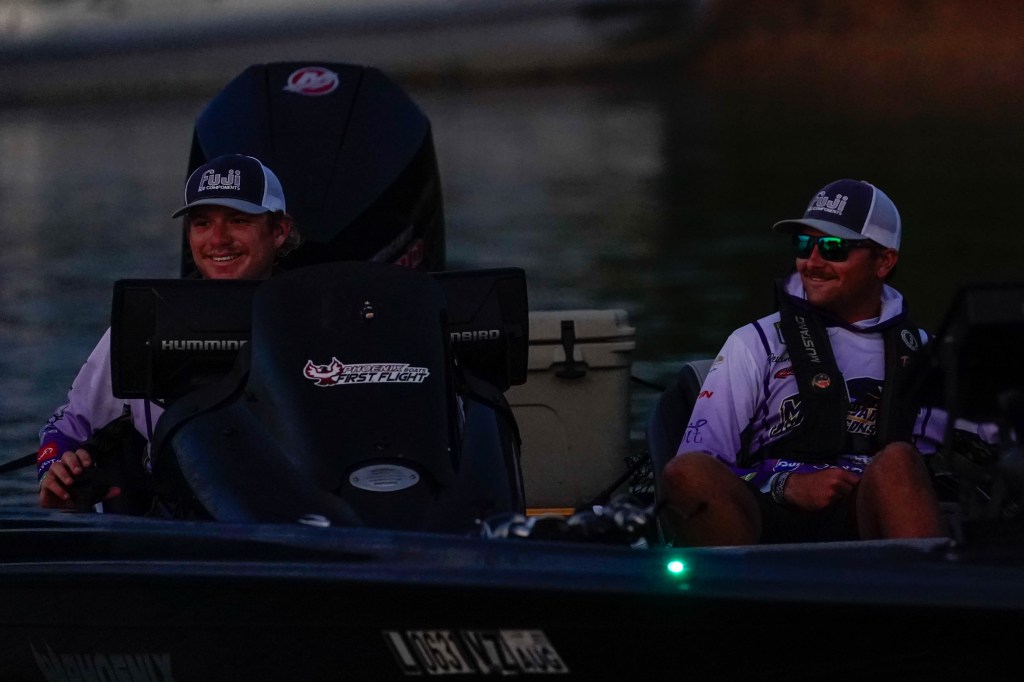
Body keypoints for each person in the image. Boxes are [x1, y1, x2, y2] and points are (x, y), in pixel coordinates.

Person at [660, 178, 949, 546]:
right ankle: (738, 583)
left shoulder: (928, 354)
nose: (811, 262)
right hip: (765, 514)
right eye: (803, 244)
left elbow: (987, 446)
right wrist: (786, 484)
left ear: (883, 262)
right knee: (687, 471)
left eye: (833, 247)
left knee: (898, 461)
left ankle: (923, 580)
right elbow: (699, 462)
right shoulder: (754, 342)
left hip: (868, 514)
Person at [38, 154, 299, 510]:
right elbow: (67, 427)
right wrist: (55, 468)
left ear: (279, 230)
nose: (218, 239)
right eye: (202, 223)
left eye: (239, 220)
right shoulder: (145, 322)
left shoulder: (317, 319)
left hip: (296, 514)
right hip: (178, 522)